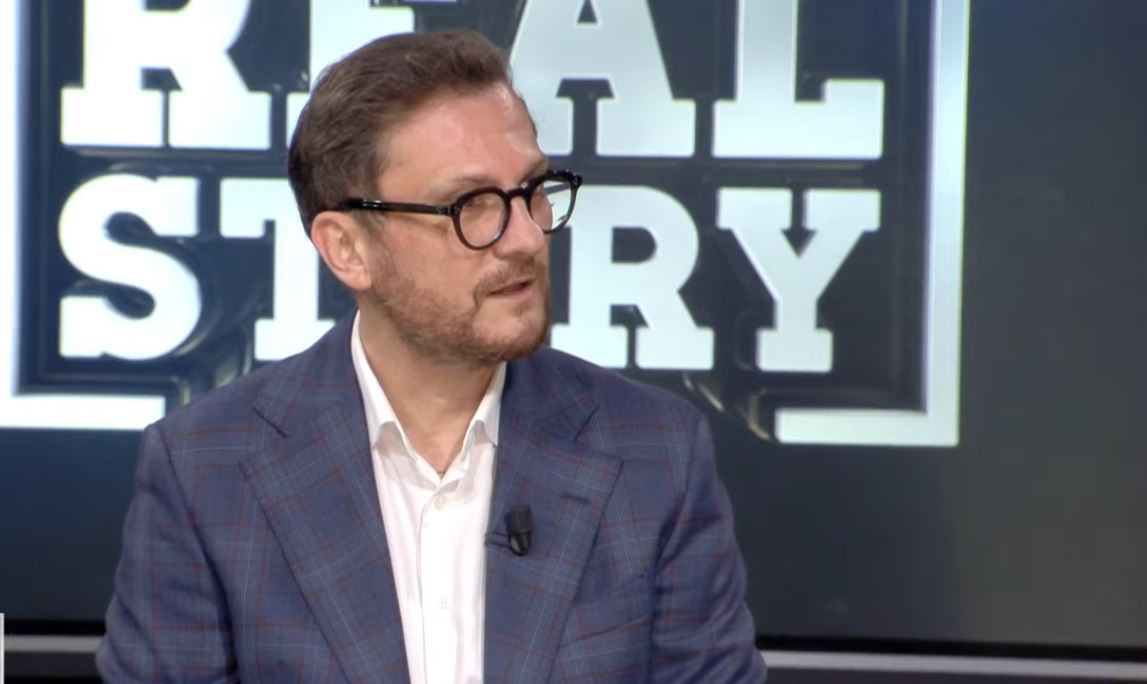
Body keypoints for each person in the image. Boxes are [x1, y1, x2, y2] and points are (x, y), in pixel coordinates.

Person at [97, 29, 765, 683]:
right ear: (347, 249)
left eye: (533, 189)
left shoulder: (656, 454)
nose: (526, 238)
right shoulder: (203, 472)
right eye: (471, 205)